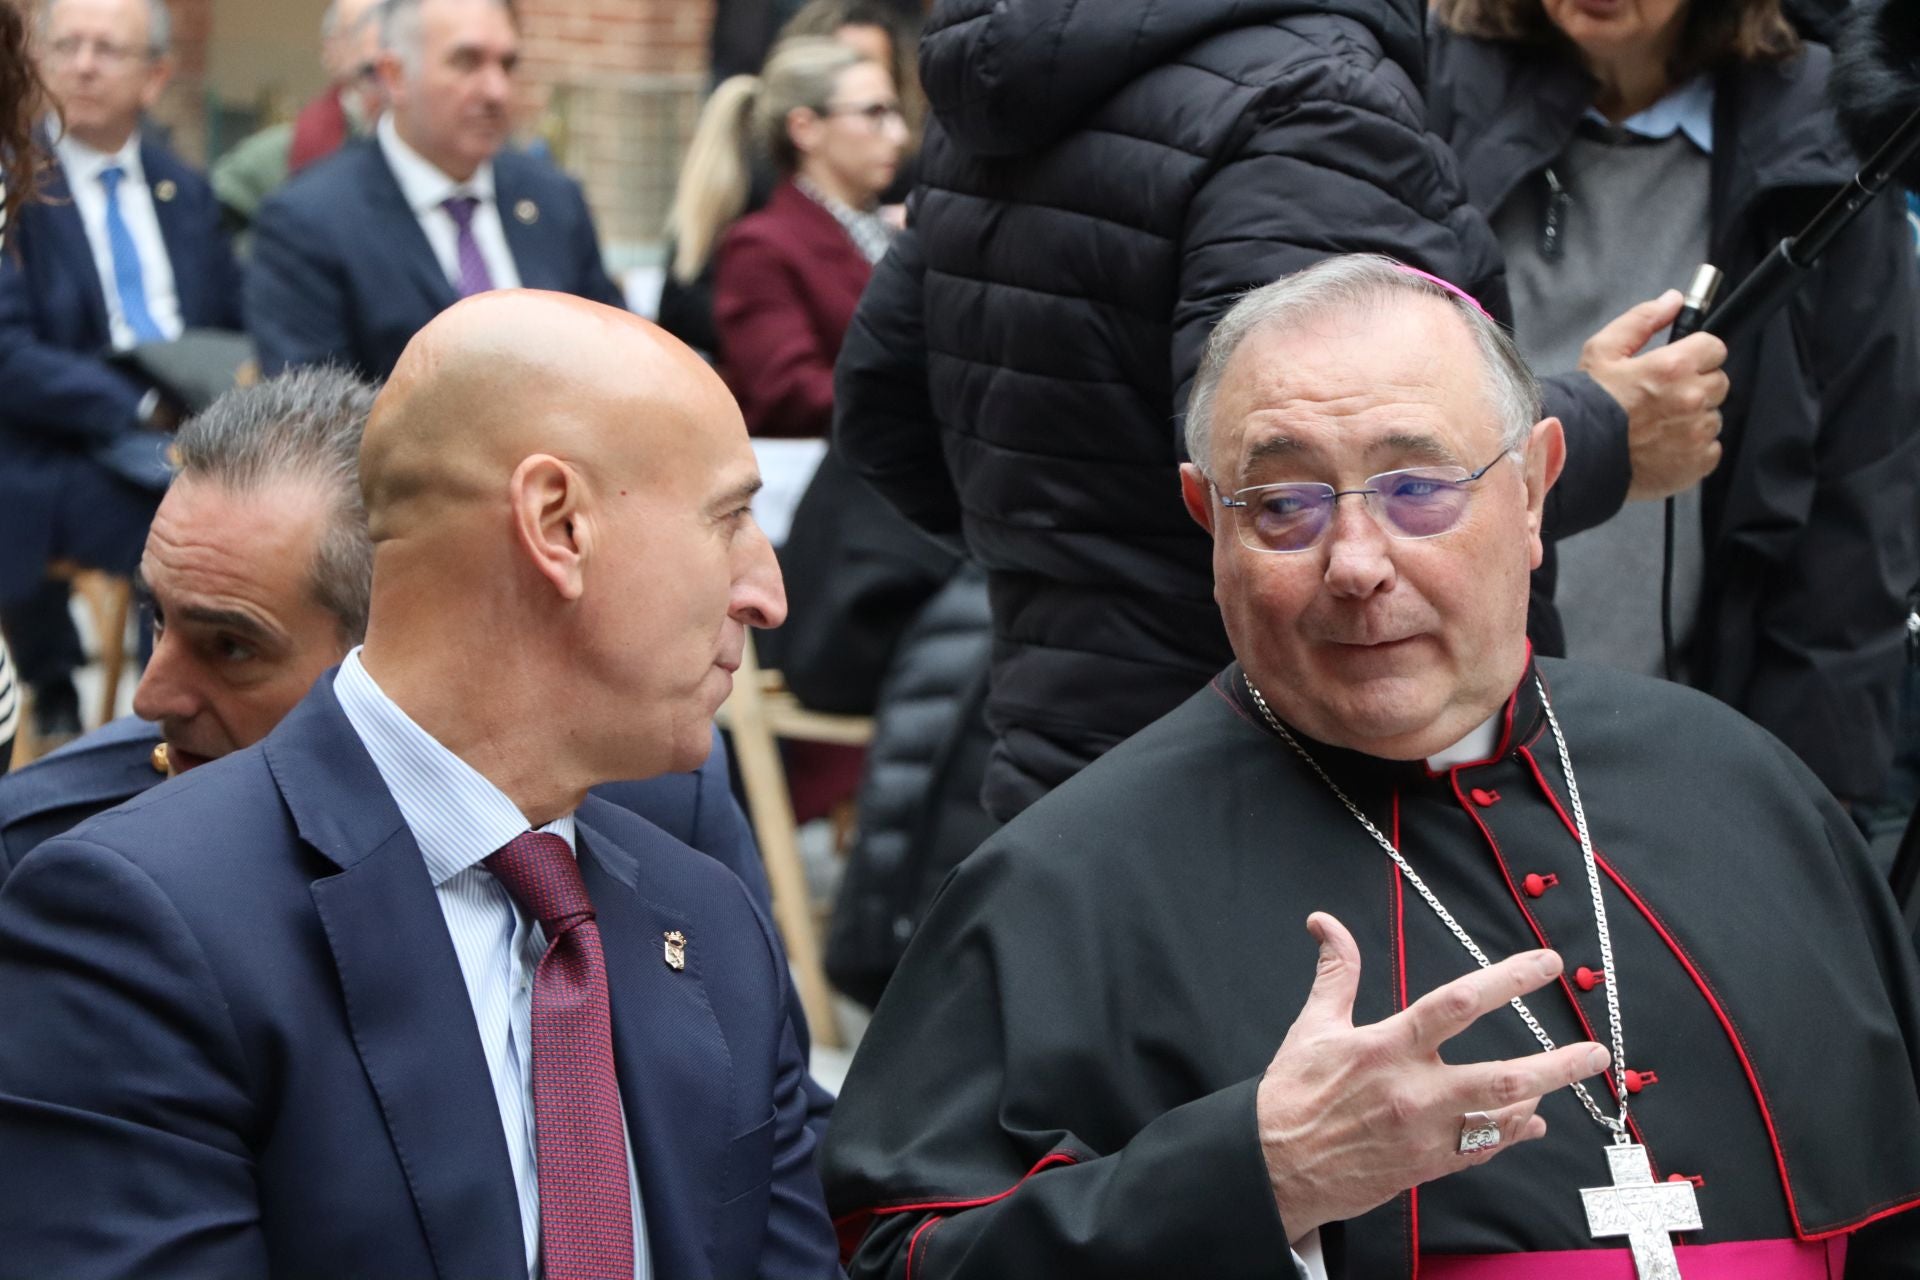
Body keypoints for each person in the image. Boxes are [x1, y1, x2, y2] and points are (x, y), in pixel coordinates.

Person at [823, 257, 1920, 1277]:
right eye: (1284, 505)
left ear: (1535, 490)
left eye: (1417, 488)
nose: (1355, 563)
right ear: (1210, 523)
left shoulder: (1743, 786)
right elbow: (896, 1252)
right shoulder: (1063, 879)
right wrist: (1259, 1174)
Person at [0, 291, 838, 1276]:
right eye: (728, 516)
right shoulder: (139, 922)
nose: (766, 591)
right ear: (556, 523)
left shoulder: (704, 916)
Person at [832, 0, 1730, 823]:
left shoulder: (1008, 91)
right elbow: (1322, 485)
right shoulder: (1310, 99)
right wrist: (1609, 428)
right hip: (1292, 792)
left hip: (1066, 764)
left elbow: (881, 406)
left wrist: (1075, 575)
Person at [1427, 0, 1920, 808]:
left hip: (1685, 763)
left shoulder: (1831, 139)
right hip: (1439, 752)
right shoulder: (1422, 87)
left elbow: (1857, 529)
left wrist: (1796, 827)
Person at [0, 0, 242, 748]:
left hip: (195, 431)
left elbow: (233, 328)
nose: (83, 64)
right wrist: (138, 406)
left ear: (156, 74)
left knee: (279, 511)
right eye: (66, 44)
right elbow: (9, 356)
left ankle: (251, 729)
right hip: (62, 445)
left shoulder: (186, 191)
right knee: (195, 528)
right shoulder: (17, 186)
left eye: (108, 49)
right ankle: (157, 733)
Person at [246, 0, 624, 380]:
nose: (497, 91)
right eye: (466, 62)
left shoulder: (554, 200)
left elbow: (617, 358)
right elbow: (313, 417)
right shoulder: (309, 221)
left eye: (507, 65)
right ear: (394, 76)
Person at [209, 0, 386, 231]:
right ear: (330, 49)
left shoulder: (432, 152)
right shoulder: (274, 156)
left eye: (390, 29)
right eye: (360, 30)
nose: (376, 47)